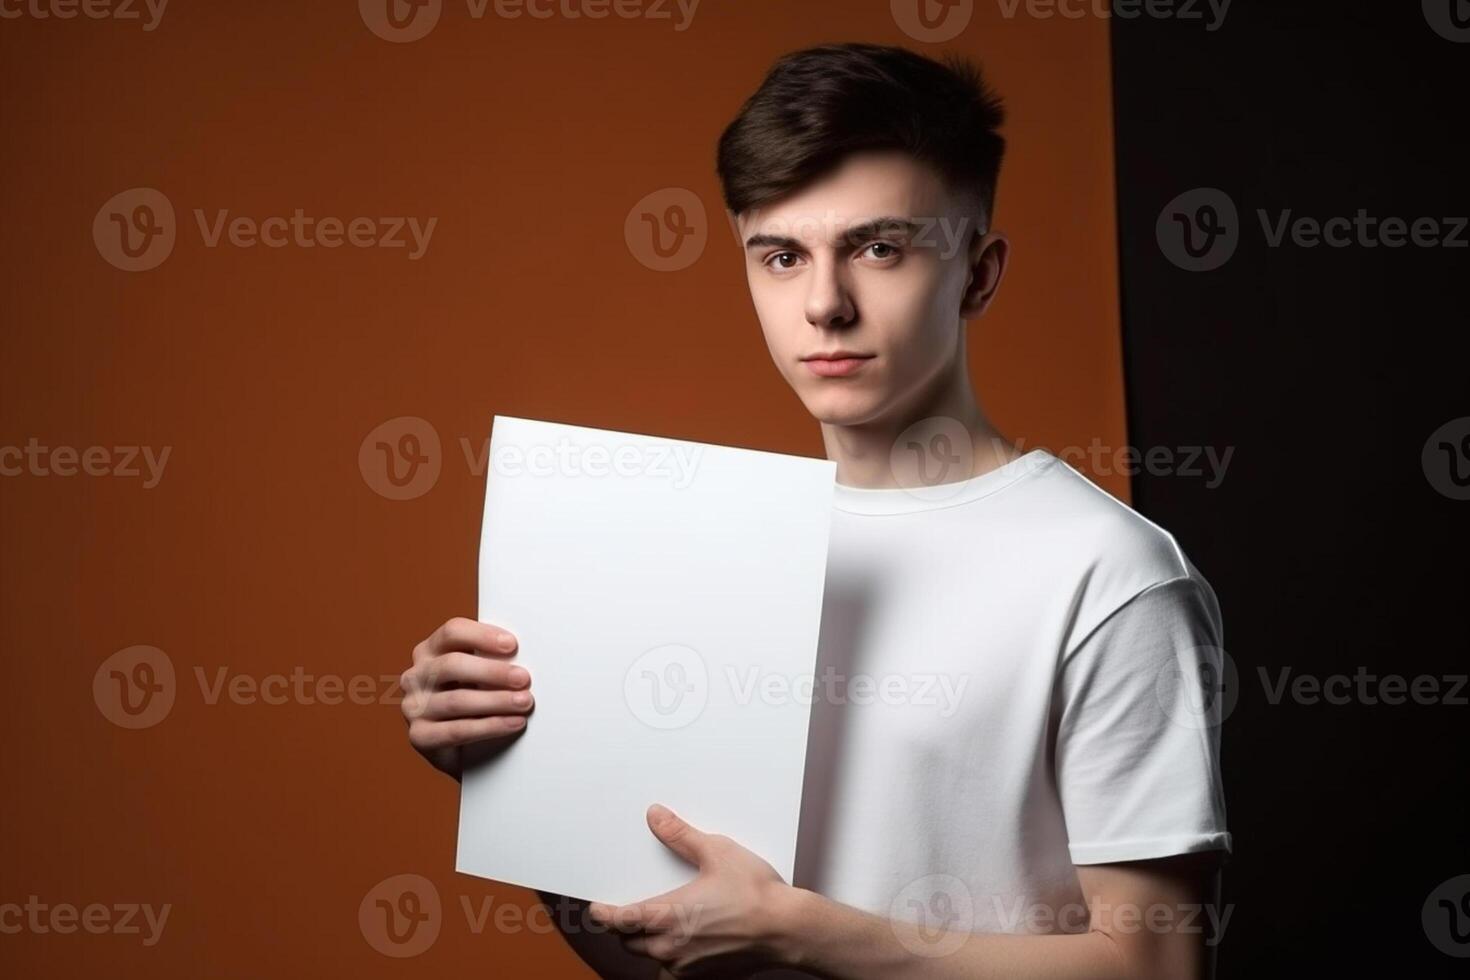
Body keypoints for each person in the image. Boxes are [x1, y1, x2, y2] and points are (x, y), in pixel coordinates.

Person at [400, 42, 1232, 979]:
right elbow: (672, 954)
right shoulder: (706, 550)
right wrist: (513, 766)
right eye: (783, 255)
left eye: (880, 249)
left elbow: (1155, 966)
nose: (824, 305)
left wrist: (800, 930)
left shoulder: (1110, 575)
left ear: (979, 273)